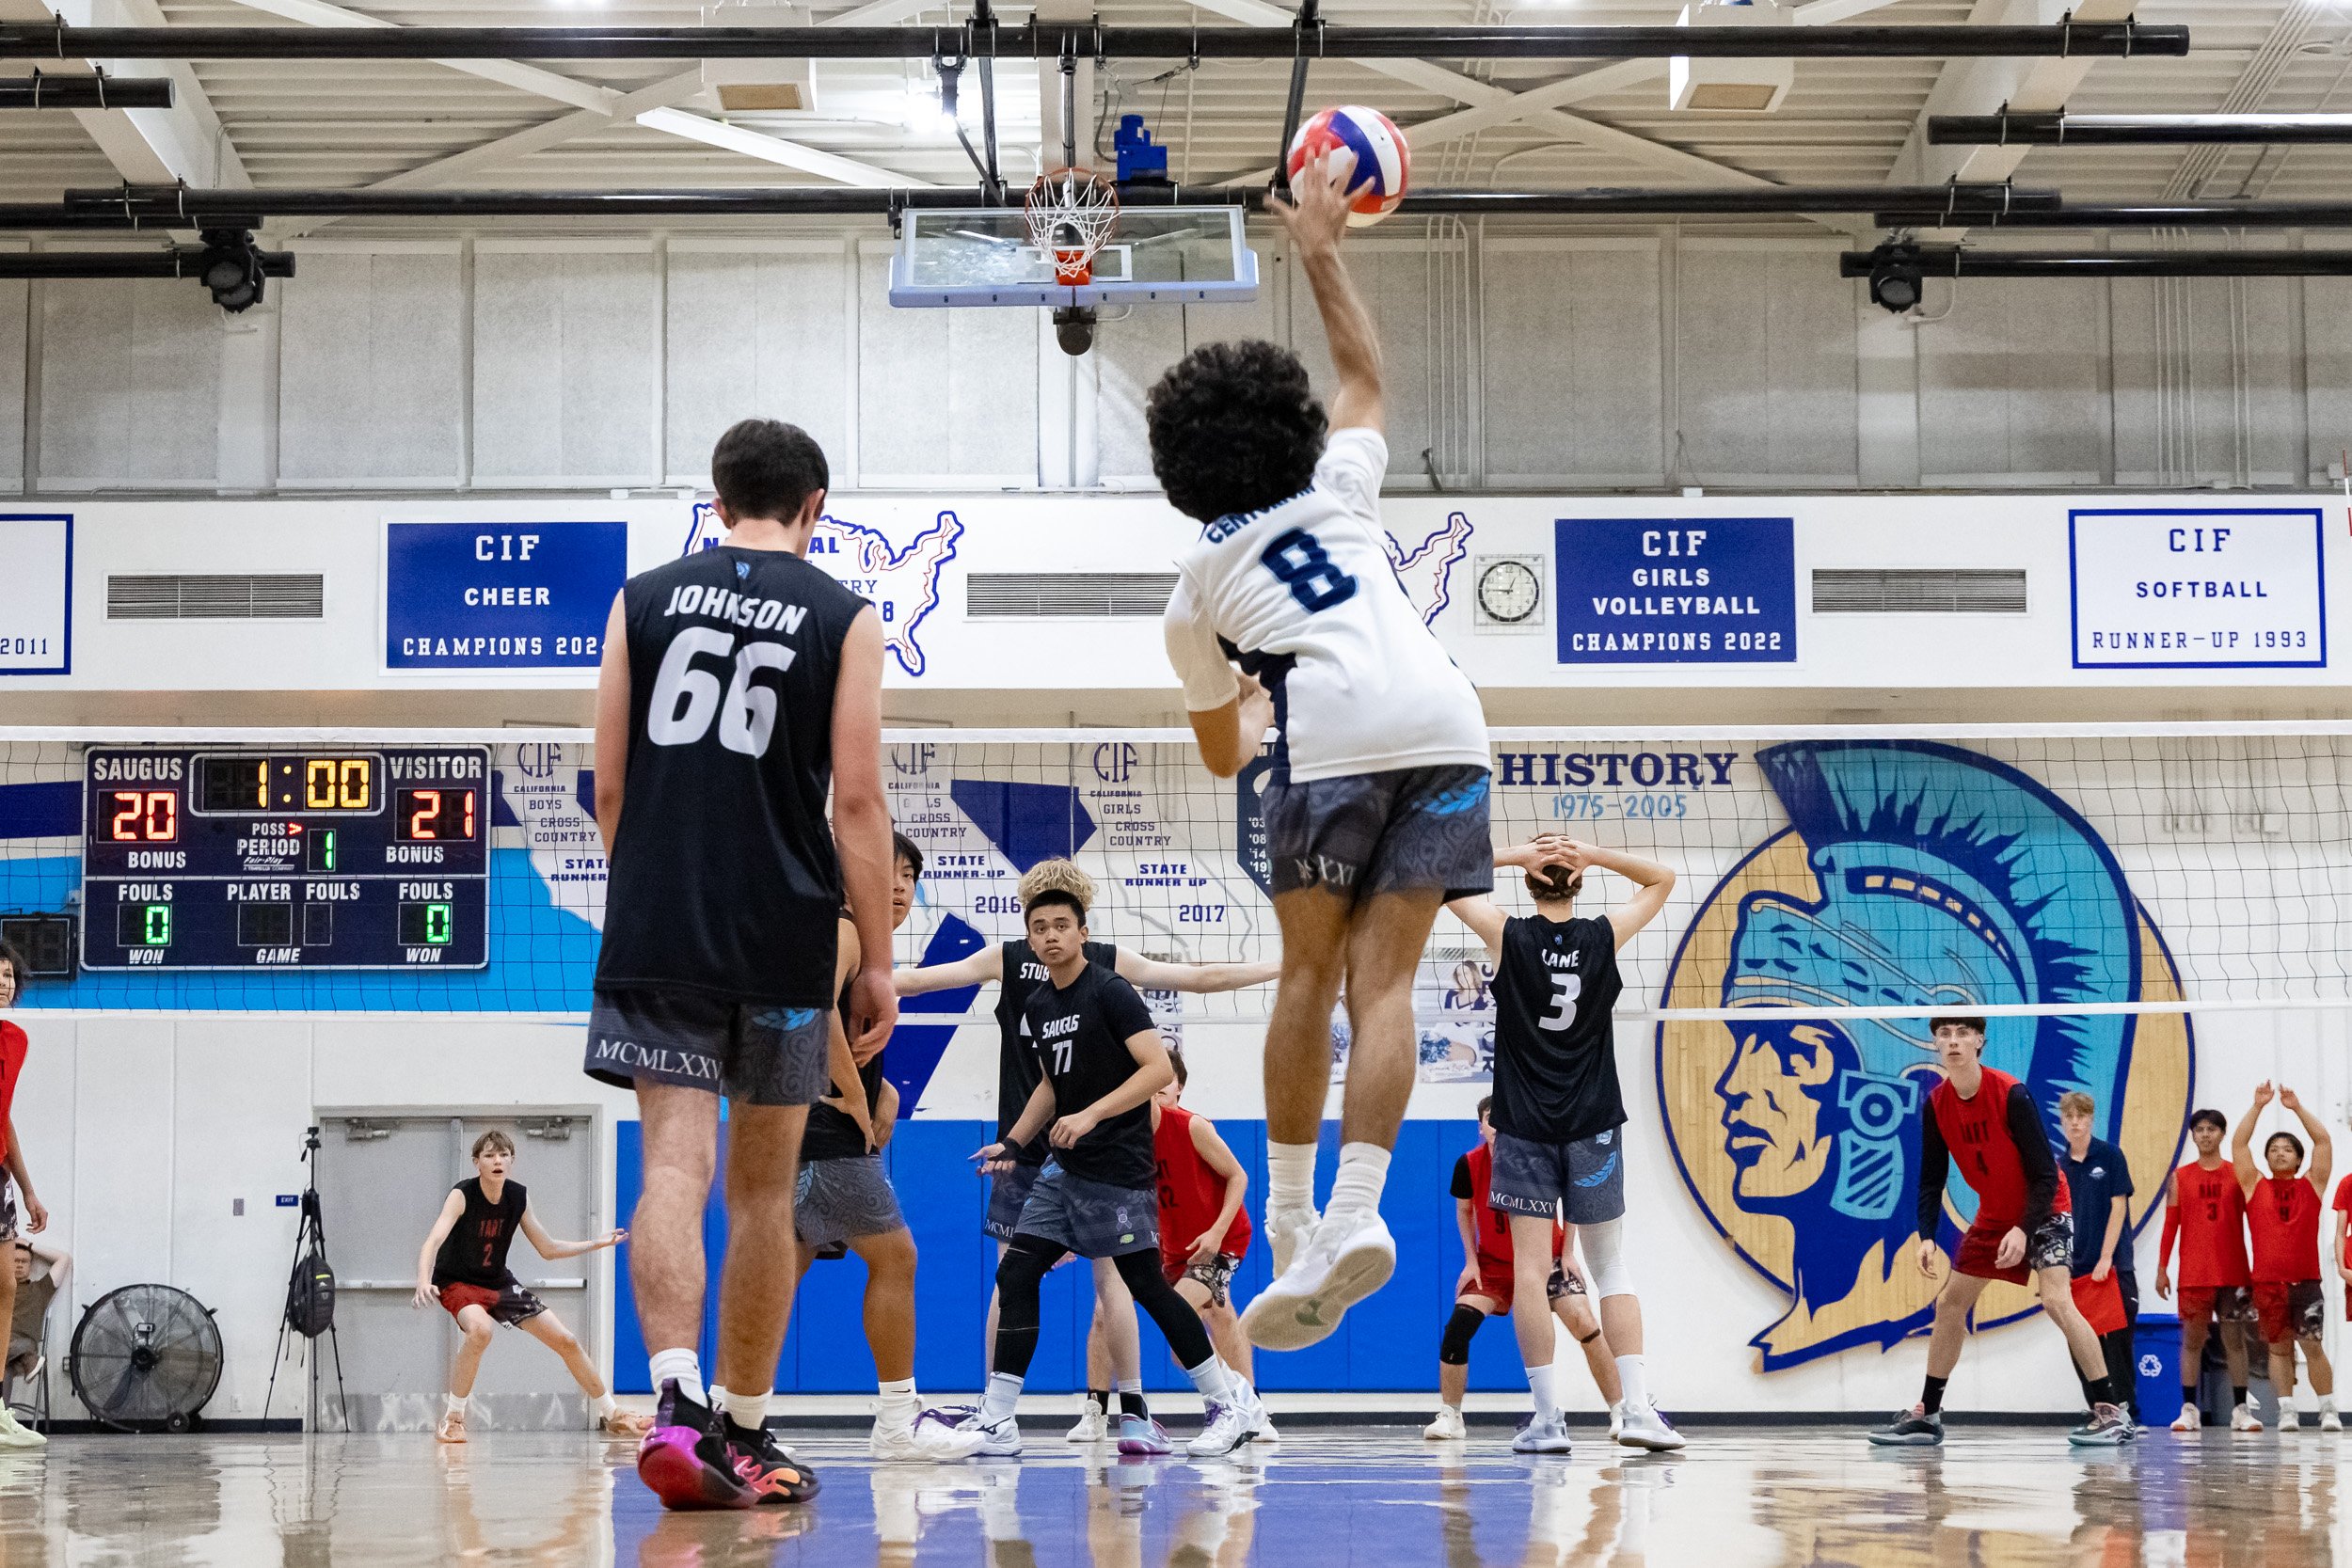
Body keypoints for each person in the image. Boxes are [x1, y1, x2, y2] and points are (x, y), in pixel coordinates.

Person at [1150, 148, 1497, 1353]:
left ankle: (1299, 1221)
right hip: (1450, 724)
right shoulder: (1339, 490)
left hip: (1333, 735)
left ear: (1178, 470)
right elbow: (1363, 375)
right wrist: (1318, 248)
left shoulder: (1196, 589)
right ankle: (1359, 1208)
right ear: (1290, 432)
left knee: (1309, 974)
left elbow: (1220, 753)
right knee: (1385, 983)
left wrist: (1253, 707)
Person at [588, 418, 895, 1509]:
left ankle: (674, 1405)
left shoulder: (639, 600)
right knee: (764, 1192)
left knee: (673, 1169)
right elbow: (858, 803)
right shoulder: (845, 617)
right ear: (816, 506)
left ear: (715, 504)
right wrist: (877, 961)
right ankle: (747, 1429)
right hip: (783, 932)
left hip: (658, 928)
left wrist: (655, 895)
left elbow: (609, 787)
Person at [897, 857, 1275, 1443]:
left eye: (1061, 925)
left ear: (1083, 929)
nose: (1050, 935)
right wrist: (1015, 1140)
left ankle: (1221, 1406)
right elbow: (1050, 1083)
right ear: (1028, 934)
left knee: (1140, 1285)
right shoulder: (1038, 999)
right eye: (1040, 926)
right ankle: (999, 1418)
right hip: (1057, 1162)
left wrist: (1093, 1113)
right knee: (1016, 1273)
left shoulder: (1112, 986)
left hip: (1113, 1165)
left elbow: (1159, 1066)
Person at [1444, 837, 1680, 1452]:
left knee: (1530, 1272)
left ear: (1530, 882)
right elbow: (1662, 877)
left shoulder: (1507, 935)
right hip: (1592, 1123)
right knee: (1610, 1266)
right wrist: (1595, 853)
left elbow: (1441, 871)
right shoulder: (1602, 935)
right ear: (1577, 882)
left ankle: (1548, 1421)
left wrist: (1516, 853)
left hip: (1523, 1127)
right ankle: (1635, 1410)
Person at [793, 833, 985, 1461]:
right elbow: (813, 1008)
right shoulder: (844, 928)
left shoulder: (855, 943)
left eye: (909, 875)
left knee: (775, 1272)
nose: (899, 884)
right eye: (886, 870)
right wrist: (852, 1094)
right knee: (897, 1259)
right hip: (825, 1129)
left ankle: (723, 1410)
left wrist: (884, 1092)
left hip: (794, 1126)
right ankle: (899, 1421)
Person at [1867, 1017, 2131, 1447]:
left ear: (1979, 1041)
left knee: (2057, 1301)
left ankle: (2111, 1412)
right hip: (1994, 1216)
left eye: (1962, 1033)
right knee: (1950, 1303)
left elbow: (2045, 1174)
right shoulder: (1936, 1104)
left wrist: (2024, 1230)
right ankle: (1928, 1415)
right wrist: (1927, 1235)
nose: (1953, 1041)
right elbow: (1931, 1177)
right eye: (1944, 1034)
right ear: (1935, 1044)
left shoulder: (2011, 1094)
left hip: (2045, 1208)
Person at [1072, 1051, 1273, 1443]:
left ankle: (1243, 1404)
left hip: (1220, 1240)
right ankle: (1096, 1412)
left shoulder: (1191, 1126)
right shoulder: (1125, 1143)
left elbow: (1238, 1176)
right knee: (1106, 1309)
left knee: (1184, 1337)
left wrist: (1216, 1232)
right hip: (1168, 1247)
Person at [411, 1131, 643, 1443]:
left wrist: (596, 1243)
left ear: (512, 1160)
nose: (497, 1161)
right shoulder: (462, 1194)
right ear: (477, 1162)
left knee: (566, 1340)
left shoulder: (517, 1196)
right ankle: (453, 1419)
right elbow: (433, 1240)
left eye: (503, 1155)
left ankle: (613, 1414)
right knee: (480, 1332)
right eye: (489, 1155)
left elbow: (547, 1248)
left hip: (498, 1281)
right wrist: (423, 1280)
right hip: (457, 1281)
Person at [1422, 1097, 1621, 1445]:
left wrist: (1568, 1252)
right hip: (1494, 1265)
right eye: (1490, 1118)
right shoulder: (1468, 1164)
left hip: (1548, 1259)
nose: (1496, 1125)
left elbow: (1573, 1201)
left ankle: (1621, 1410)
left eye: (1502, 1118)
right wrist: (1471, 1260)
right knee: (1458, 1327)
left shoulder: (1539, 1159)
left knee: (1585, 1324)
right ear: (1480, 1127)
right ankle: (1450, 1415)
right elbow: (1464, 1211)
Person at [2233, 1083, 2336, 1432]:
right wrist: (2257, 1106)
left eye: (2288, 1149)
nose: (2280, 1154)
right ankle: (2287, 1410)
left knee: (2312, 1346)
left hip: (2305, 1281)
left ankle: (2327, 1410)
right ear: (2267, 1157)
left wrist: (2297, 1108)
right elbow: (2239, 1144)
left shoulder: (2312, 1184)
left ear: (2298, 1158)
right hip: (2267, 1283)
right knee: (2278, 1349)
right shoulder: (2254, 1185)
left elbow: (2323, 1141)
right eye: (2274, 1149)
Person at [2157, 1107, 2258, 1433]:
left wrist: (2262, 1266)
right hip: (2194, 1274)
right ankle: (2189, 1409)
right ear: (2193, 1135)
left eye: (2211, 1129)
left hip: (2233, 1272)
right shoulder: (2180, 1177)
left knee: (2235, 1341)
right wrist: (2162, 1268)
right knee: (2192, 1341)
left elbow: (2258, 1222)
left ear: (2222, 1134)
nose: (2205, 1135)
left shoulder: (2237, 1174)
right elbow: (2170, 1225)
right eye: (2199, 1129)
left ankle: (2240, 1409)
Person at [2058, 1091, 2140, 1423]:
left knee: (2117, 1341)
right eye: (2069, 1117)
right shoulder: (2059, 1166)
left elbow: (2118, 1207)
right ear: (2062, 1121)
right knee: (2080, 1339)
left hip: (2113, 1265)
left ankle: (2127, 1410)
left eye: (2081, 1116)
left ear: (2091, 1119)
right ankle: (2099, 1409)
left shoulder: (2110, 1155)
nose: (2075, 1122)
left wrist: (2106, 1257)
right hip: (2075, 1268)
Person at [0, 942, 48, 1449]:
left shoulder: (16, 1039)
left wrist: (28, 1190)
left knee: (6, 1286)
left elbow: (4, 1116)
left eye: (9, 975)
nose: (4, 983)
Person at [6, 1238, 68, 1389]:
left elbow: (64, 1259)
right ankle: (28, 1360)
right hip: (12, 1356)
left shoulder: (40, 1289)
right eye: (15, 1261)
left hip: (23, 1344)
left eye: (24, 1261)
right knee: (5, 1369)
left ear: (30, 1265)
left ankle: (27, 1358)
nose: (19, 1265)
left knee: (14, 1354)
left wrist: (30, 1245)